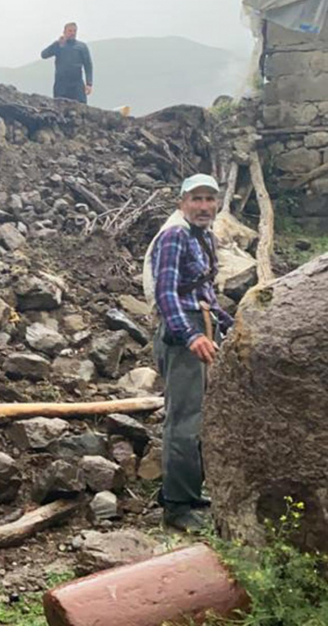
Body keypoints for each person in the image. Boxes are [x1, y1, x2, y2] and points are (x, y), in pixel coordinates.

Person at [143, 173, 234, 532]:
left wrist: (233, 322)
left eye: (210, 199)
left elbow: (204, 293)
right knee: (183, 420)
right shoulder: (174, 236)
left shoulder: (204, 237)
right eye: (196, 199)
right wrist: (190, 334)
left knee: (200, 417)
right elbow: (167, 294)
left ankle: (192, 491)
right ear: (182, 202)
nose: (204, 206)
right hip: (183, 336)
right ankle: (177, 505)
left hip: (203, 326)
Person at [40, 22, 93, 103]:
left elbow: (88, 65)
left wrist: (89, 83)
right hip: (61, 85)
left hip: (77, 84)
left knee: (81, 109)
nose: (72, 33)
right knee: (60, 110)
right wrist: (56, 44)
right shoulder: (59, 45)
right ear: (64, 32)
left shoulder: (82, 47)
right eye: (70, 31)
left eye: (74, 31)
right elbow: (44, 55)